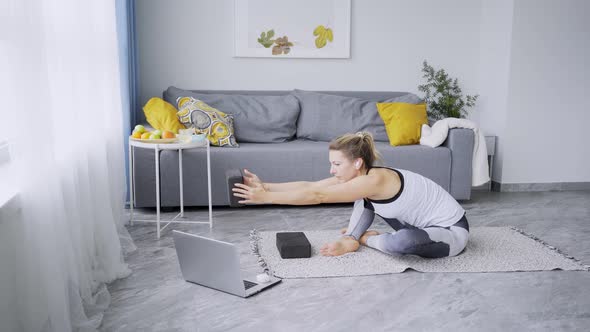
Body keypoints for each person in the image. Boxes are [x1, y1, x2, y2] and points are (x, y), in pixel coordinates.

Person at [232, 132, 469, 258]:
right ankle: (353, 238)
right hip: (413, 225)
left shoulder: (375, 179)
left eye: (336, 164)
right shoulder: (361, 177)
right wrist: (267, 186)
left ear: (357, 162)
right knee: (368, 205)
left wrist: (265, 198)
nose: (332, 170)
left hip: (451, 233)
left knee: (404, 242)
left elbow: (316, 196)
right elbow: (310, 185)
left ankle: (362, 239)